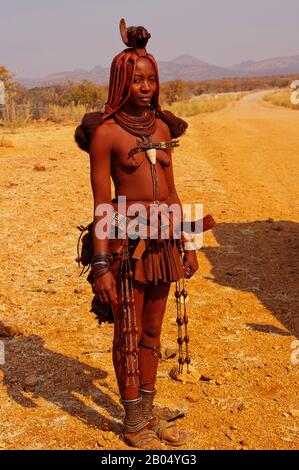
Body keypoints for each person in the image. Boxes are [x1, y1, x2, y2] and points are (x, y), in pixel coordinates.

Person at [75, 19, 201, 450]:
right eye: (136, 79)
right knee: (126, 335)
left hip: (164, 242)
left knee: (151, 334)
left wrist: (187, 243)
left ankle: (148, 415)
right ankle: (133, 425)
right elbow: (102, 203)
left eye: (151, 79)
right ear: (120, 81)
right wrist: (102, 265)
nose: (145, 87)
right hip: (128, 245)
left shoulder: (163, 130)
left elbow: (172, 190)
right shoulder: (106, 134)